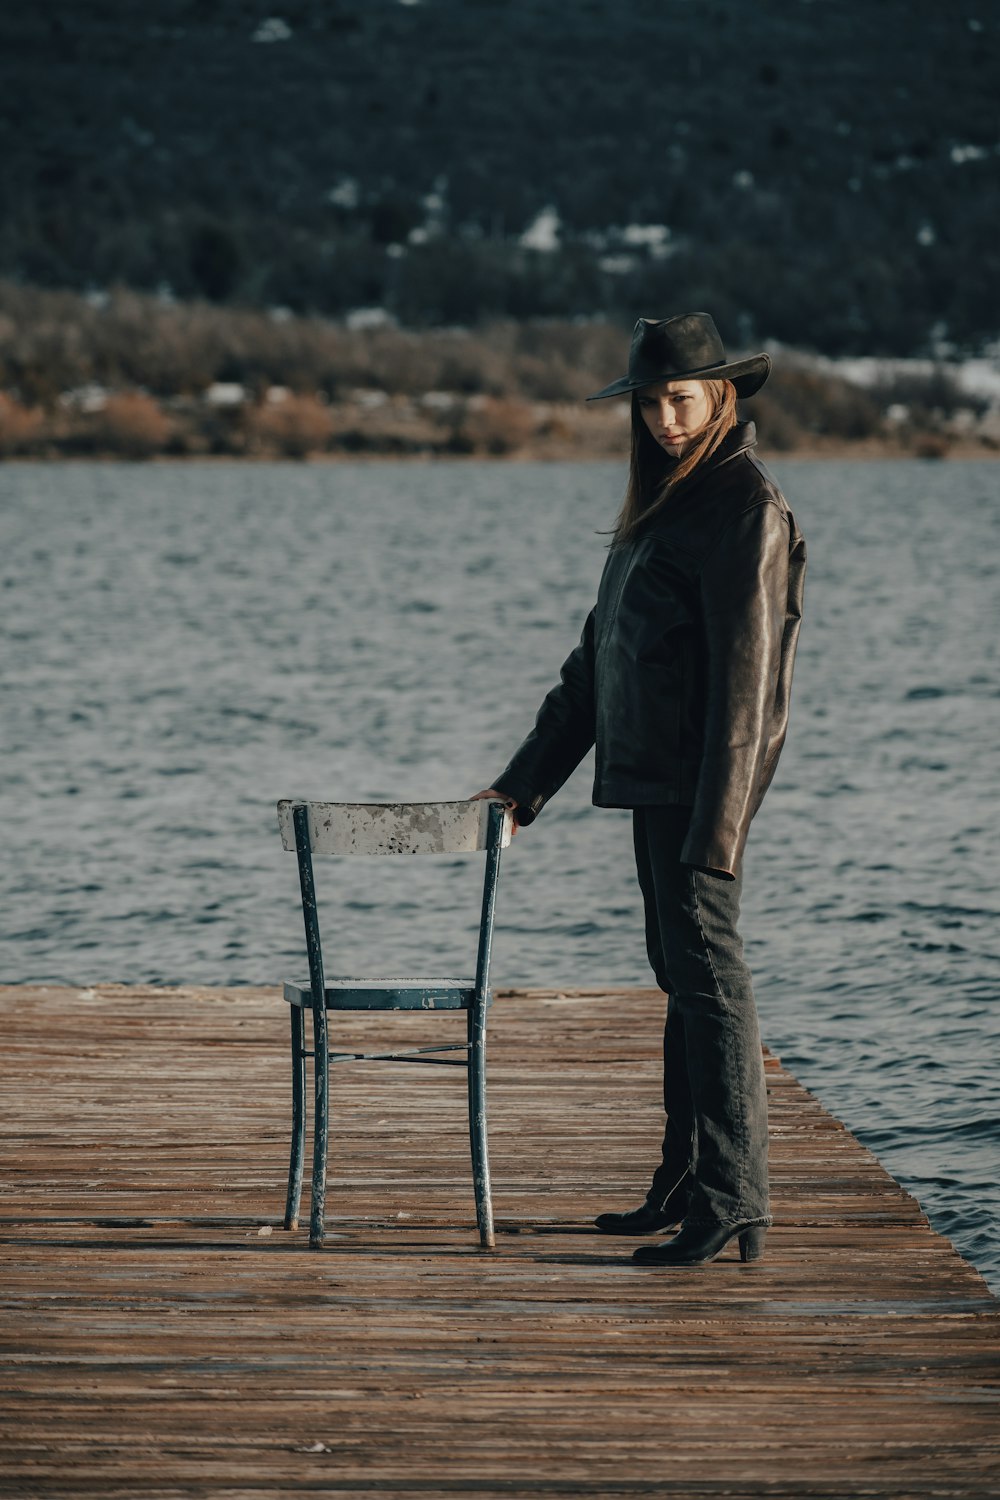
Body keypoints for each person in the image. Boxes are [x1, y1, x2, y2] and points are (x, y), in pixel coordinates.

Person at [474, 311, 806, 1267]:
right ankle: (685, 1178)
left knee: (710, 977)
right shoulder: (664, 502)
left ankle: (734, 1195)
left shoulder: (745, 507)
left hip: (701, 793)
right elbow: (595, 667)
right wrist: (519, 791)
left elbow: (753, 692)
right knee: (682, 978)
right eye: (652, 401)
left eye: (682, 399)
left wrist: (720, 826)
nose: (665, 416)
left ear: (721, 397)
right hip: (653, 783)